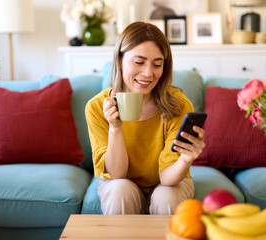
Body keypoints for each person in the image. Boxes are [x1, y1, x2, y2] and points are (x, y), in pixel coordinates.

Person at [85, 22, 205, 215]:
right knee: (119, 190)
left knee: (166, 196)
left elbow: (167, 178)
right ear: (120, 60)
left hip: (168, 181)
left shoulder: (179, 105)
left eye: (157, 64)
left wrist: (186, 159)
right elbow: (117, 175)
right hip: (121, 182)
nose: (148, 73)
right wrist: (115, 128)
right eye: (139, 62)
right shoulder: (96, 107)